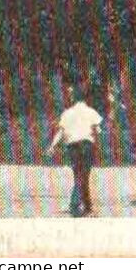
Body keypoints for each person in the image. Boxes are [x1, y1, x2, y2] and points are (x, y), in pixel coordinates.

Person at [46, 85, 102, 217]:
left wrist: (52, 146)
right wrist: (97, 144)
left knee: (79, 175)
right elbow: (97, 130)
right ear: (85, 98)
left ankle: (88, 206)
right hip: (87, 145)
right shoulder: (91, 112)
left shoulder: (67, 113)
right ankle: (75, 204)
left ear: (74, 98)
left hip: (72, 147)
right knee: (83, 176)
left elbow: (61, 131)